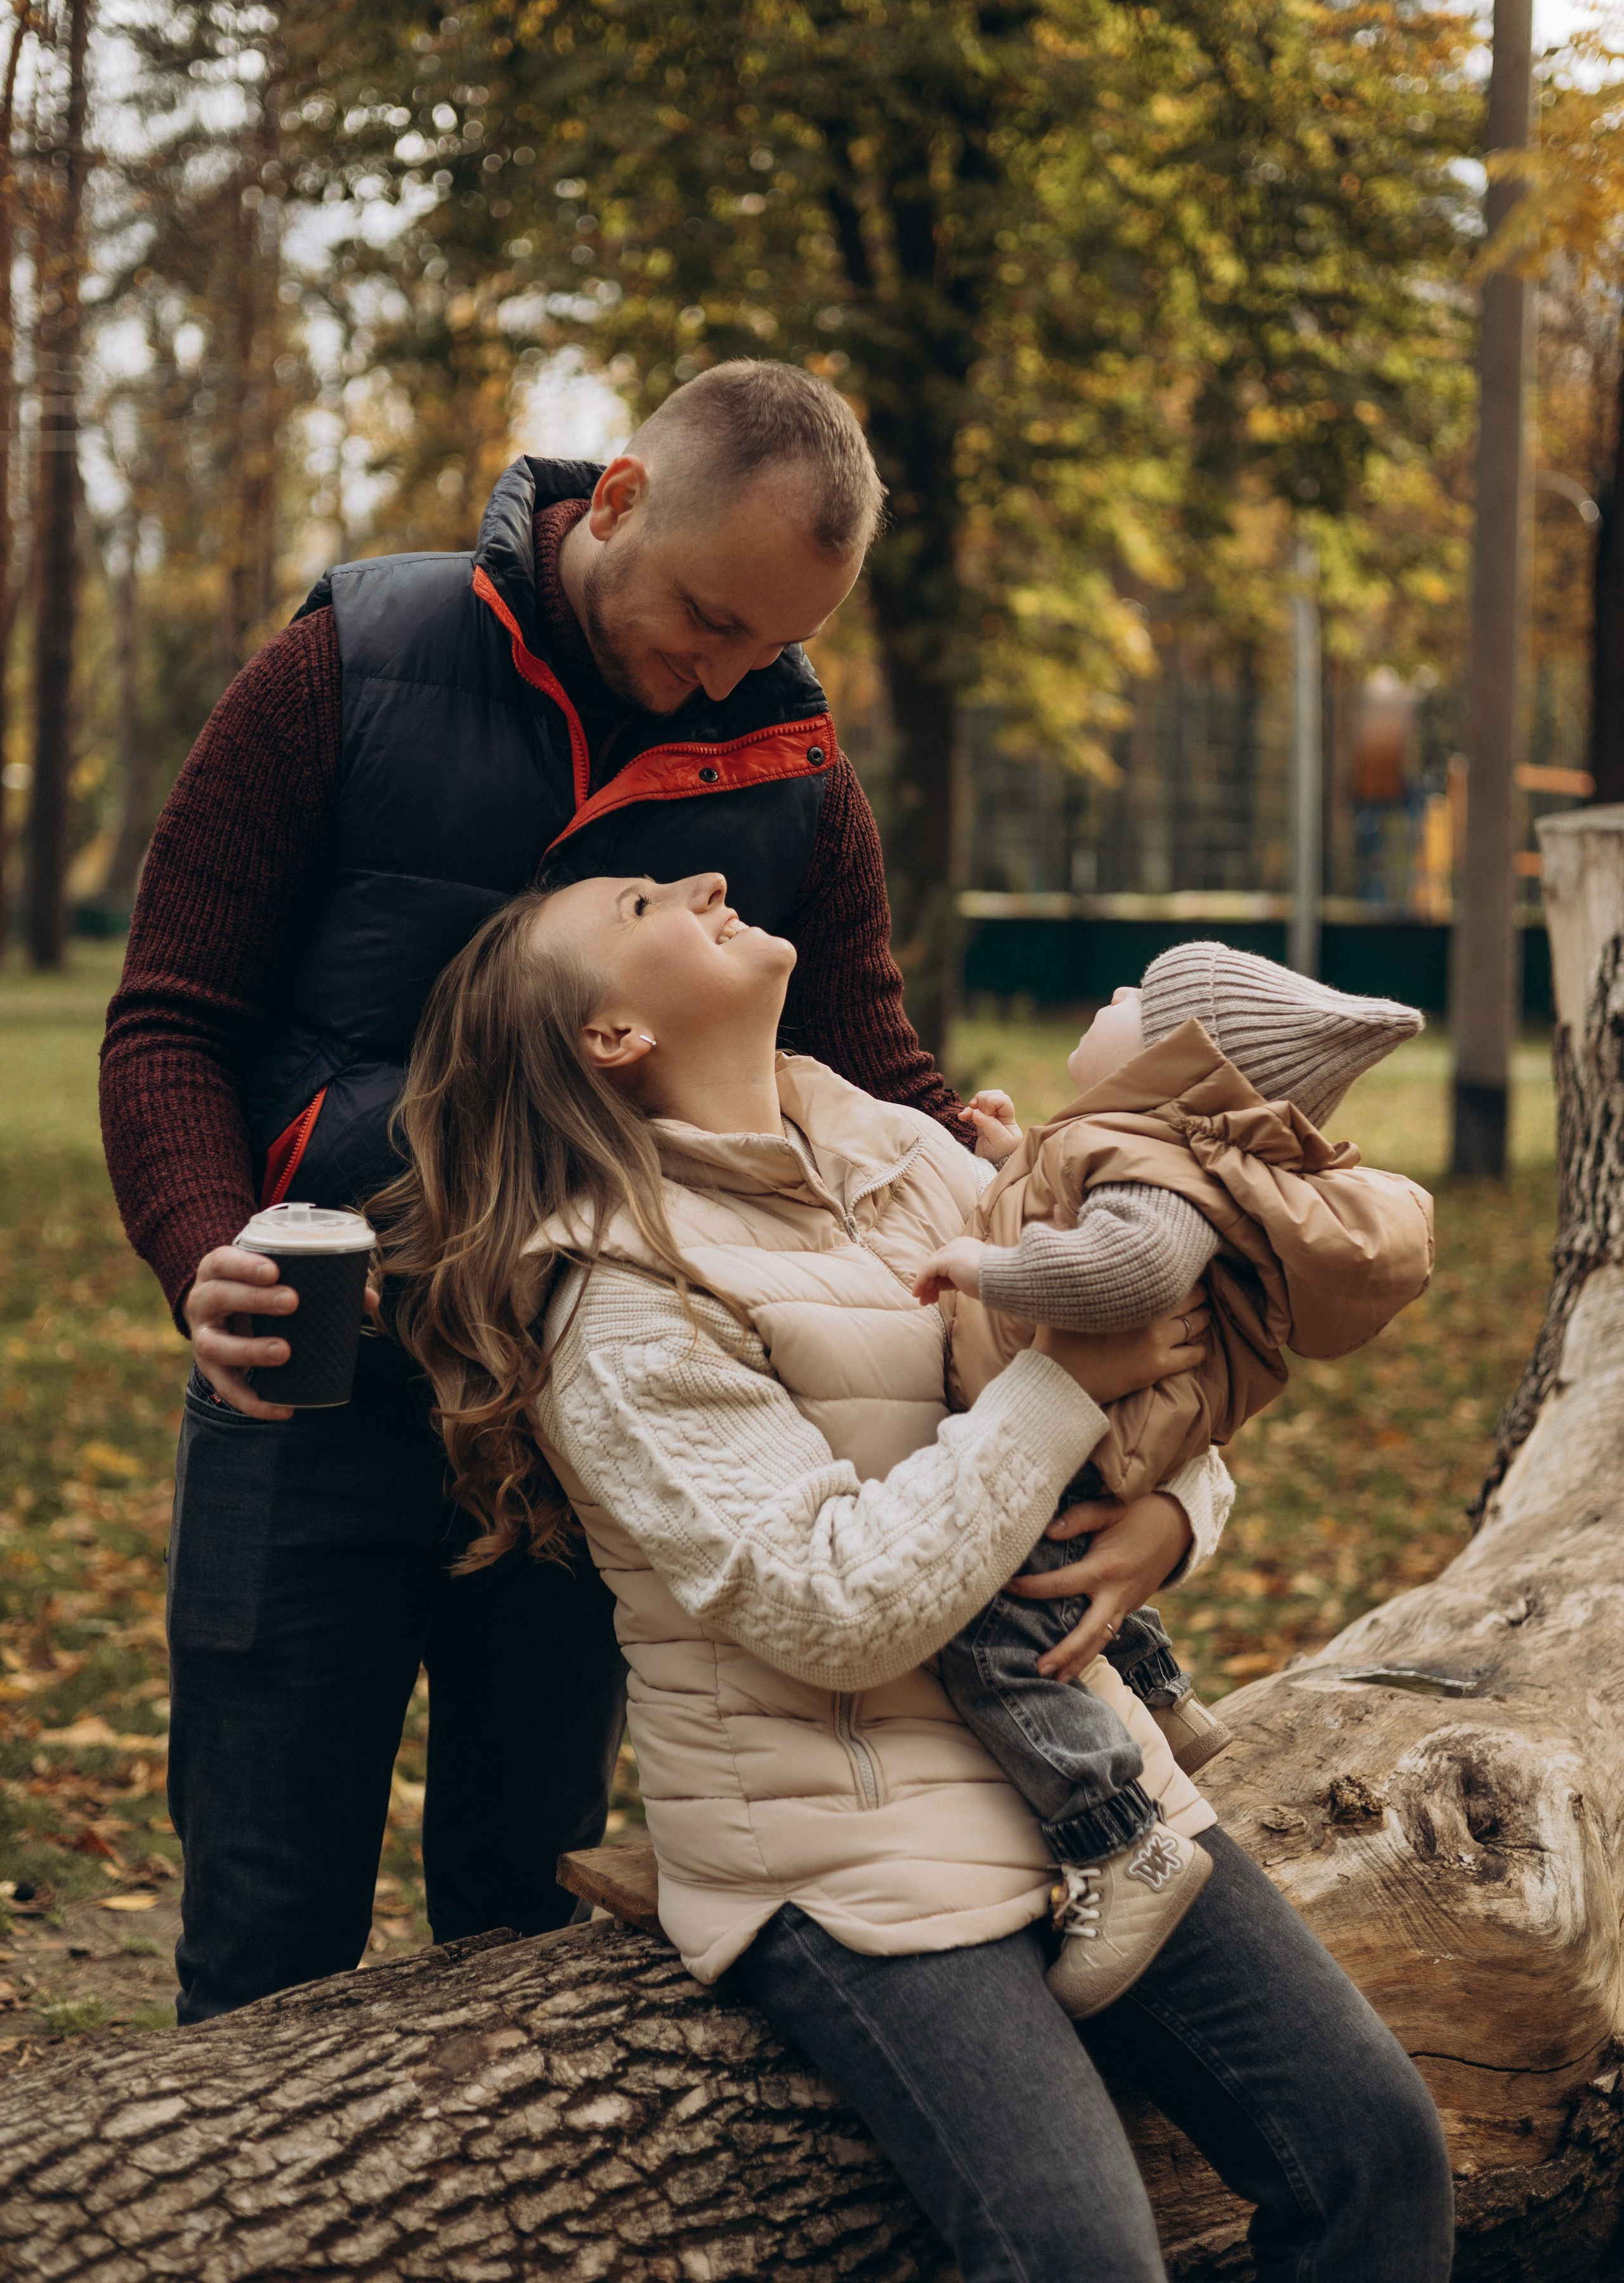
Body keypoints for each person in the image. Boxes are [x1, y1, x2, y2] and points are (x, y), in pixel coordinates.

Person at [376, 869, 1455, 2283]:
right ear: (610, 1038)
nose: (705, 880)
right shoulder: (620, 1295)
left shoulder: (893, 1147)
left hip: (1095, 1787)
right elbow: (833, 1609)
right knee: (1077, 2256)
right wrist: (1067, 1390)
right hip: (839, 1838)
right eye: (644, 904)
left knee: (1375, 2153)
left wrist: (1174, 1519)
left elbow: (1177, 1358)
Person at [99, 360, 973, 2023]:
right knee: (264, 1922)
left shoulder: (790, 767)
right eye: (706, 619)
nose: (718, 674)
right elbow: (173, 1017)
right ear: (624, 498)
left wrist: (996, 1160)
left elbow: (871, 1061)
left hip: (598, 1415)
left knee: (522, 1920)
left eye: (766, 643)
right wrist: (197, 1238)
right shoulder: (355, 658)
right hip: (314, 1393)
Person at [910, 944, 1434, 2015]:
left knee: (999, 1635)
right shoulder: (1144, 1148)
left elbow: (1133, 1266)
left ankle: (1117, 1842)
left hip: (1076, 1436)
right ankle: (1163, 1696)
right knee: (1064, 1574)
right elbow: (1091, 1212)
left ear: (1183, 1068)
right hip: (1098, 1436)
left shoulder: (1157, 1170)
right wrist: (1018, 1155)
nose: (1111, 996)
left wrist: (989, 1268)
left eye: (1137, 1001)